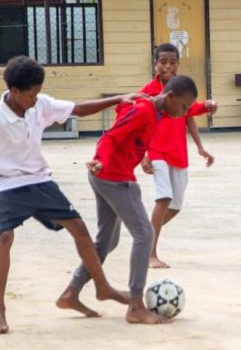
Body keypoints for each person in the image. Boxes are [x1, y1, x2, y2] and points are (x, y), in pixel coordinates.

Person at [0, 56, 130, 334]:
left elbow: (78, 109)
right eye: (31, 94)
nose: (35, 99)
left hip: (40, 181)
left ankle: (102, 287)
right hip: (6, 186)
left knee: (79, 228)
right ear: (14, 91)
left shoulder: (39, 105)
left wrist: (119, 99)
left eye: (38, 92)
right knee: (4, 237)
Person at [57, 75, 199, 324]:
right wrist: (100, 159)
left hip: (108, 176)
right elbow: (111, 136)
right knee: (144, 234)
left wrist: (204, 106)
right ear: (171, 97)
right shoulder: (144, 110)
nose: (184, 112)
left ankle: (71, 293)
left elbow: (177, 110)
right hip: (113, 178)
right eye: (184, 107)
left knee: (106, 242)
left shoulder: (157, 111)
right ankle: (135, 305)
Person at [137, 43, 217, 269]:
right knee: (163, 198)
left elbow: (190, 115)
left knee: (175, 206)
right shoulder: (148, 92)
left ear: (178, 64)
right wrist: (142, 155)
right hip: (157, 152)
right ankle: (150, 254)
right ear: (155, 64)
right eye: (163, 62)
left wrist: (200, 147)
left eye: (173, 62)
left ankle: (143, 234)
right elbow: (139, 123)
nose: (168, 66)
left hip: (178, 154)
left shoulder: (183, 88)